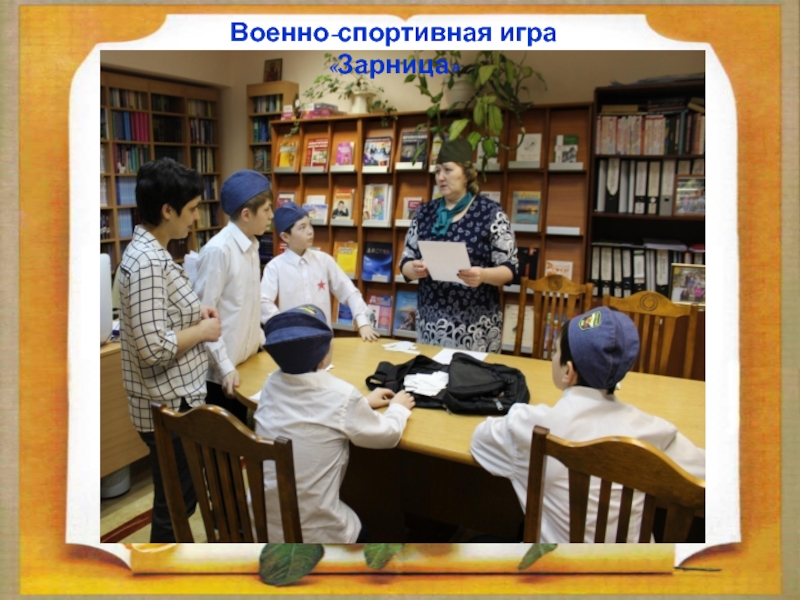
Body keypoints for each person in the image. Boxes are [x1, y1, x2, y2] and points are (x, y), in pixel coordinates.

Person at [470, 307, 705, 543]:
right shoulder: (653, 432)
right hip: (635, 565)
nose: (553, 357)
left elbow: (479, 442)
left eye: (555, 351)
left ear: (568, 371)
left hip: (552, 564)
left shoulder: (531, 426)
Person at [117, 157, 222, 542]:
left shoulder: (154, 253)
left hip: (173, 400)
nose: (195, 217)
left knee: (177, 498)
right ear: (167, 211)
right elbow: (154, 347)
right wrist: (202, 330)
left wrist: (195, 315)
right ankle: (160, 568)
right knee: (175, 504)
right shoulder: (147, 262)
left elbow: (162, 319)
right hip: (167, 404)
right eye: (191, 209)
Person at [254, 304, 416, 542]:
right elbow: (388, 435)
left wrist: (362, 403)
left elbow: (312, 411)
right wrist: (398, 409)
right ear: (324, 355)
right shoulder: (341, 395)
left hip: (264, 525)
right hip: (314, 535)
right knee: (364, 531)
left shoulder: (271, 384)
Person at [399, 138, 519, 352]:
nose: (440, 177)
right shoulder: (424, 213)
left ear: (466, 174)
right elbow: (405, 262)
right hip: (430, 325)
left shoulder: (490, 212)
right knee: (430, 373)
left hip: (476, 328)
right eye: (437, 171)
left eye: (447, 169)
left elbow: (510, 268)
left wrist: (483, 275)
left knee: (471, 375)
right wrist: (414, 269)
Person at [194, 170, 273, 424]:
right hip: (220, 375)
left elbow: (249, 308)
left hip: (245, 365)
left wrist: (265, 345)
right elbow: (203, 317)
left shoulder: (252, 246)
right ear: (247, 214)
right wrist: (225, 366)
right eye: (267, 209)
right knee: (223, 443)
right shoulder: (219, 251)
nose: (272, 215)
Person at [261, 201, 379, 341]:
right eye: (302, 227)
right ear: (285, 237)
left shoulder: (324, 260)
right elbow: (263, 301)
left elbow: (349, 292)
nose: (310, 231)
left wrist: (363, 323)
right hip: (292, 341)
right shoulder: (275, 267)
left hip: (324, 340)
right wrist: (283, 324)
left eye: (310, 224)